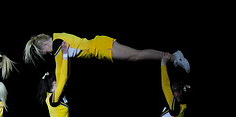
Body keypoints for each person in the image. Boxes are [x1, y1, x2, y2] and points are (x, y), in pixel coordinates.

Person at [24, 32, 190, 73]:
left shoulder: (58, 43)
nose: (48, 55)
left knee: (136, 56)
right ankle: (173, 57)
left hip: (101, 47)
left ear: (46, 44)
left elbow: (61, 70)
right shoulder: (57, 38)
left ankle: (175, 57)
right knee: (135, 56)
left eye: (45, 53)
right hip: (100, 47)